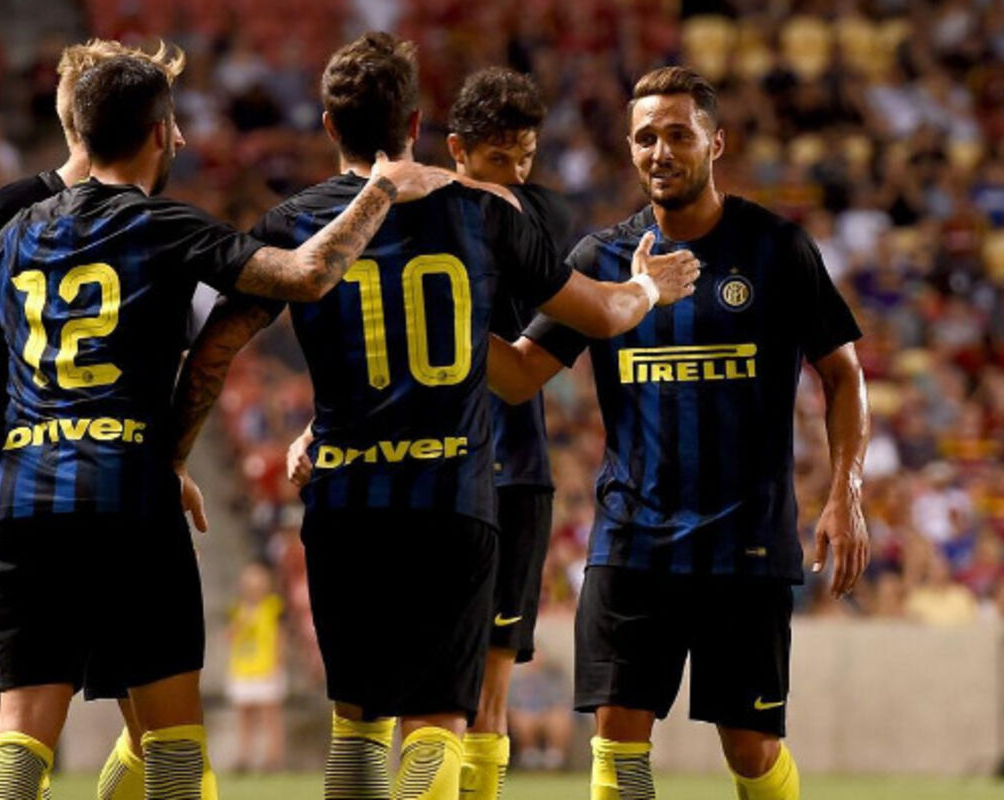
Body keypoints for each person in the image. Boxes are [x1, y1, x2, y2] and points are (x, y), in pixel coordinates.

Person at [0, 54, 450, 800]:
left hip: (25, 506)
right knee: (175, 754)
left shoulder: (13, 231)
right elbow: (308, 274)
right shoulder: (166, 226)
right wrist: (381, 187)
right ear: (157, 133)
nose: (181, 139)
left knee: (19, 750)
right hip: (130, 500)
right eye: (175, 125)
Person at [168, 33, 700, 800]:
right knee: (437, 726)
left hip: (346, 503)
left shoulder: (292, 224)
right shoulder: (484, 212)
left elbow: (213, 351)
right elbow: (601, 313)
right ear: (417, 123)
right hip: (451, 502)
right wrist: (648, 287)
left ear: (328, 126)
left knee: (357, 730)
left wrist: (175, 458)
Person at [488, 66, 871, 800]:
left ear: (714, 142)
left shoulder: (777, 249)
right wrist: (455, 318)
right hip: (633, 538)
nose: (659, 152)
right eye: (645, 138)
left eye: (677, 135)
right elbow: (520, 374)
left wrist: (845, 494)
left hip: (746, 543)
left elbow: (844, 373)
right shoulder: (601, 259)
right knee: (616, 748)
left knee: (752, 753)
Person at [0, 38, 196, 800]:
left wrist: (170, 461)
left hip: (106, 493)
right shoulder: (8, 212)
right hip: (37, 497)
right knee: (44, 738)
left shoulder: (146, 219)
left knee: (146, 735)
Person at [283, 66, 574, 800]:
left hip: (512, 472)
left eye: (527, 157)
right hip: (426, 478)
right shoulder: (419, 216)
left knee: (482, 702)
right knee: (387, 709)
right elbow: (384, 354)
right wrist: (323, 424)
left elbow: (518, 370)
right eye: (500, 158)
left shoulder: (525, 218)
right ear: (454, 149)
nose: (517, 174)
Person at [226, 561, 287, 772]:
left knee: (271, 717)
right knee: (244, 717)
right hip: (242, 668)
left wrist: (277, 664)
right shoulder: (238, 608)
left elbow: (280, 638)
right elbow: (229, 637)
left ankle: (273, 758)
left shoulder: (274, 606)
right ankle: (244, 757)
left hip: (266, 668)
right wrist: (242, 622)